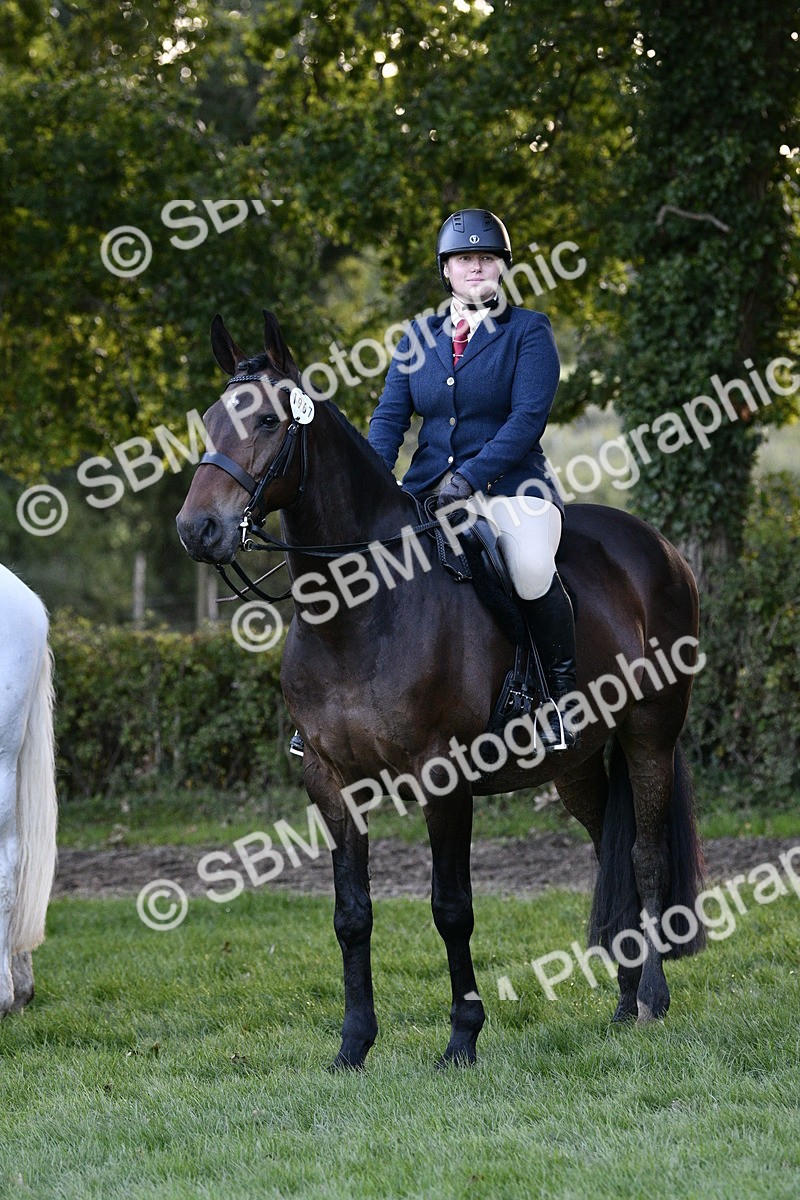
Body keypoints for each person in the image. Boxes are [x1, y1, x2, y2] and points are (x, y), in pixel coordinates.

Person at [366, 208, 578, 751]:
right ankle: (332, 706)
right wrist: (371, 482)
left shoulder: (528, 330)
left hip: (512, 489)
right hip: (427, 491)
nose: (475, 267)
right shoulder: (417, 336)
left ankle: (558, 697)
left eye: (486, 258)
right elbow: (391, 419)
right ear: (447, 269)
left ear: (501, 267)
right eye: (465, 259)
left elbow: (527, 418)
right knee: (358, 566)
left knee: (530, 568)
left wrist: (470, 477)